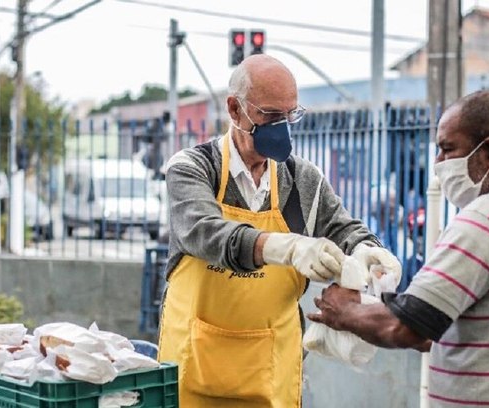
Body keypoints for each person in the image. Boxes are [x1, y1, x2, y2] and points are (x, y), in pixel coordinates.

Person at [309, 90, 489, 407]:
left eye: (447, 150)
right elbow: (468, 329)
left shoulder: (488, 219)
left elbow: (405, 328)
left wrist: (344, 311)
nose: (438, 164)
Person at [157, 54, 401, 407]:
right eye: (270, 116)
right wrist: (286, 249)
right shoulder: (191, 169)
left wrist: (367, 250)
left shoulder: (303, 181)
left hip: (272, 373)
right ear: (235, 109)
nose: (282, 127)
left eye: (290, 116)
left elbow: (342, 228)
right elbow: (205, 232)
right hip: (191, 372)